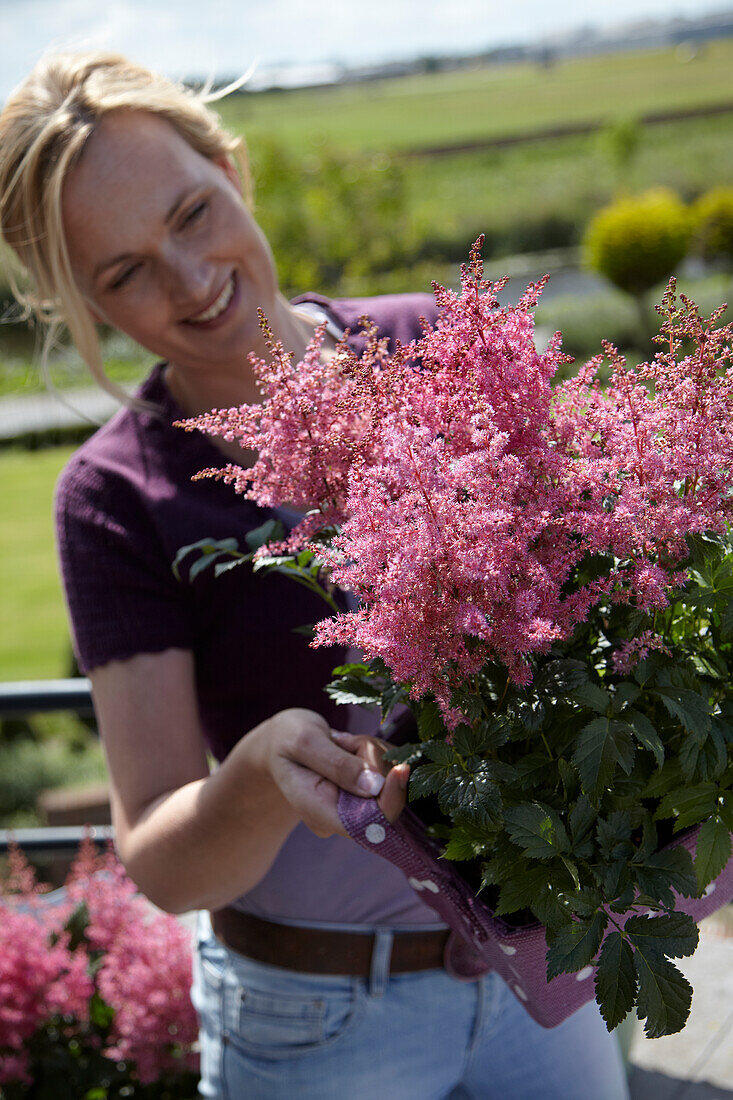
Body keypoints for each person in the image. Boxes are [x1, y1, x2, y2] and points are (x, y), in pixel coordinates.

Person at [0, 53, 629, 1099]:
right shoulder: (116, 497)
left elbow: (591, 583)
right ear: (84, 306)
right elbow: (159, 858)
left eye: (193, 213)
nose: (191, 279)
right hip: (319, 1022)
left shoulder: (435, 344)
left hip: (539, 958)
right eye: (125, 273)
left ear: (233, 167)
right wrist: (253, 782)